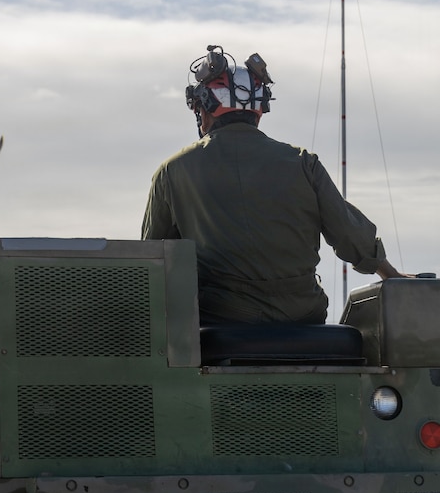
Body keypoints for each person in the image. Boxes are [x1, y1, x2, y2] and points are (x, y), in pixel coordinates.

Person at [141, 45, 406, 325]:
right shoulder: (303, 162)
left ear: (204, 111)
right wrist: (393, 276)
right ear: (259, 111)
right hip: (303, 317)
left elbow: (151, 260)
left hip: (221, 319)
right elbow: (350, 233)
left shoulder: (172, 171)